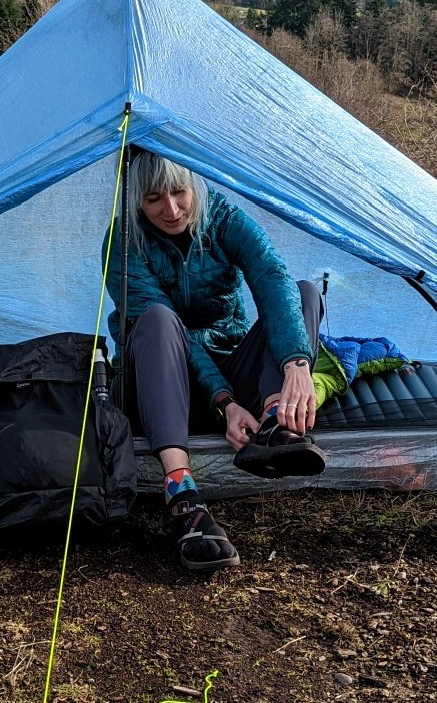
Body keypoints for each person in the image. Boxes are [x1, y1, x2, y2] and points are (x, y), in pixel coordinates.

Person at [107, 150, 325, 573]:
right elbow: (179, 338)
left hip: (227, 372)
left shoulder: (222, 218)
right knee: (156, 318)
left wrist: (296, 363)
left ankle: (274, 425)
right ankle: (182, 496)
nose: (170, 210)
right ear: (135, 200)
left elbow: (270, 275)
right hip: (156, 388)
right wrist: (224, 401)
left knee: (302, 292)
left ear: (196, 186)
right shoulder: (124, 241)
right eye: (153, 199)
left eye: (178, 191)